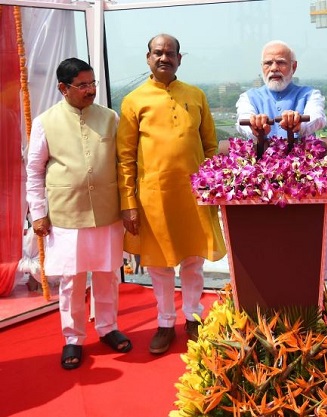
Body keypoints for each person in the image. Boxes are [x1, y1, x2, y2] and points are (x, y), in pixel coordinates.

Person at [116, 34, 226, 355]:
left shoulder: (196, 95)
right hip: (154, 198)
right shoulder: (134, 101)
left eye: (170, 53)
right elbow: (125, 157)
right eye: (158, 53)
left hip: (194, 194)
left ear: (180, 59)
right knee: (160, 266)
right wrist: (128, 203)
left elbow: (209, 146)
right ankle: (165, 322)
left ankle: (193, 317)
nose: (164, 58)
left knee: (193, 261)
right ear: (148, 58)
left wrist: (213, 185)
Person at [25, 58, 131, 370]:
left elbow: (123, 165)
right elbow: (34, 170)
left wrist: (128, 206)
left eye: (93, 83)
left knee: (107, 274)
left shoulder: (110, 117)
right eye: (82, 85)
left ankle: (108, 328)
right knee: (72, 279)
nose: (90, 90)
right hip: (67, 213)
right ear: (63, 88)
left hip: (107, 211)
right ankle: (73, 338)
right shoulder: (46, 121)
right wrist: (38, 213)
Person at [235, 39, 327, 282]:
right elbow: (243, 120)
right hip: (262, 185)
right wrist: (255, 127)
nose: (274, 68)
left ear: (293, 67)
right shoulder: (249, 97)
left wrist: (299, 122)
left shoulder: (309, 94)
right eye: (268, 63)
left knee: (314, 244)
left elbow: (317, 118)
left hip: (303, 183)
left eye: (281, 62)